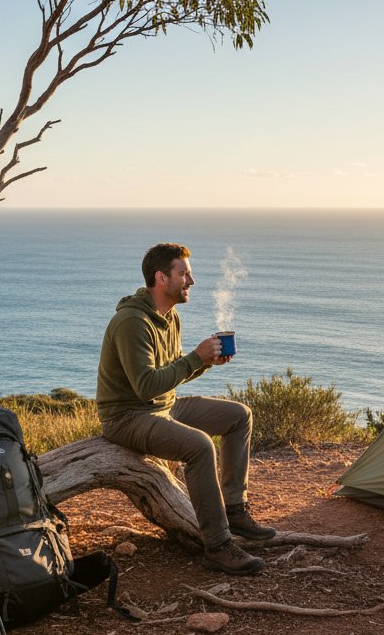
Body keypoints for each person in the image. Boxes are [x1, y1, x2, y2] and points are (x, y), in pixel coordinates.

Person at [97, 243, 274, 575]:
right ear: (161, 278)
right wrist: (196, 357)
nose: (191, 280)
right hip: (127, 417)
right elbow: (146, 385)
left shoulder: (170, 317)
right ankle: (218, 547)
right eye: (184, 273)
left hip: (163, 406)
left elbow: (169, 375)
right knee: (199, 446)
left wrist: (206, 363)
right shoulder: (131, 323)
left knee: (239, 416)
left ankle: (235, 510)